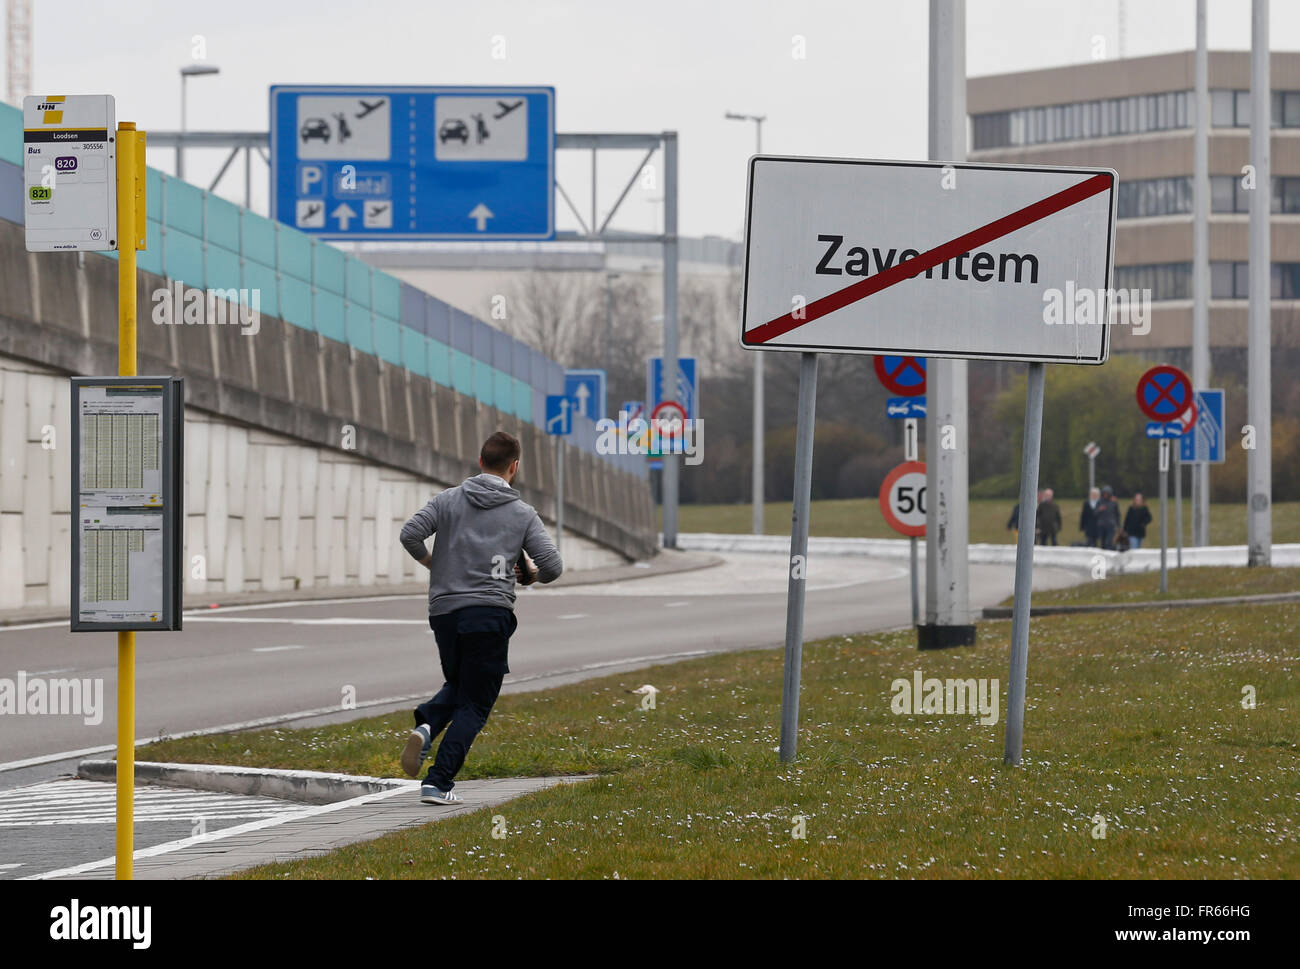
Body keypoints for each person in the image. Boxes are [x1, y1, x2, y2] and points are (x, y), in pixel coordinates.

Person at [397, 431, 562, 805]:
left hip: (444, 614)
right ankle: (438, 782)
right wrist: (533, 575)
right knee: (476, 703)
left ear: (480, 461)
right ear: (514, 467)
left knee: (460, 683)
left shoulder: (447, 500)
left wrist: (434, 565)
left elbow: (410, 534)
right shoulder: (522, 514)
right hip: (488, 615)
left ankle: (427, 724)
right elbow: (553, 566)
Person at [1094, 485, 1121, 550]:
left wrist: (1119, 525)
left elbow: (1117, 514)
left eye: (1107, 494)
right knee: (1102, 542)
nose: (1106, 495)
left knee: (1109, 542)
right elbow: (1095, 513)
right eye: (1104, 493)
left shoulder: (1114, 502)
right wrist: (1099, 510)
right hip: (1101, 525)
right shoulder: (1099, 502)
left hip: (1111, 525)